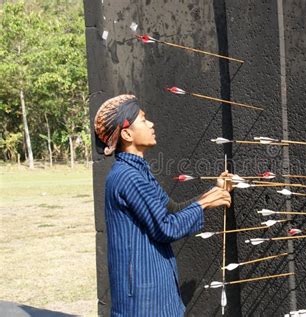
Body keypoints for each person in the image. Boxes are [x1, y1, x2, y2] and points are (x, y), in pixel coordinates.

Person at [94, 94, 232, 316]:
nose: (151, 124)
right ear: (127, 133)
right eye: (143, 120)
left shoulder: (138, 170)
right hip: (142, 300)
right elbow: (165, 227)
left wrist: (212, 192)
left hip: (154, 291)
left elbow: (172, 210)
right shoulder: (128, 176)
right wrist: (206, 202)